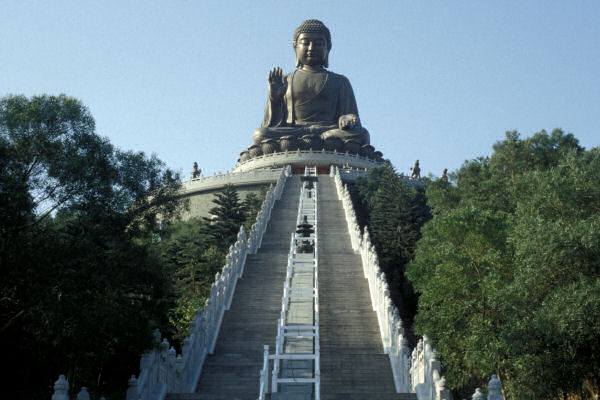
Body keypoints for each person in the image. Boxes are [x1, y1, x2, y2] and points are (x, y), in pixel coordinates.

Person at [252, 19, 370, 149]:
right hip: (294, 132)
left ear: (328, 48)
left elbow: (351, 117)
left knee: (361, 134)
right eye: (305, 43)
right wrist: (275, 99)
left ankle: (316, 142)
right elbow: (271, 124)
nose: (311, 48)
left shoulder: (340, 81)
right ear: (295, 47)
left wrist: (347, 118)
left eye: (318, 43)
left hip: (329, 132)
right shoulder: (285, 79)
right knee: (260, 134)